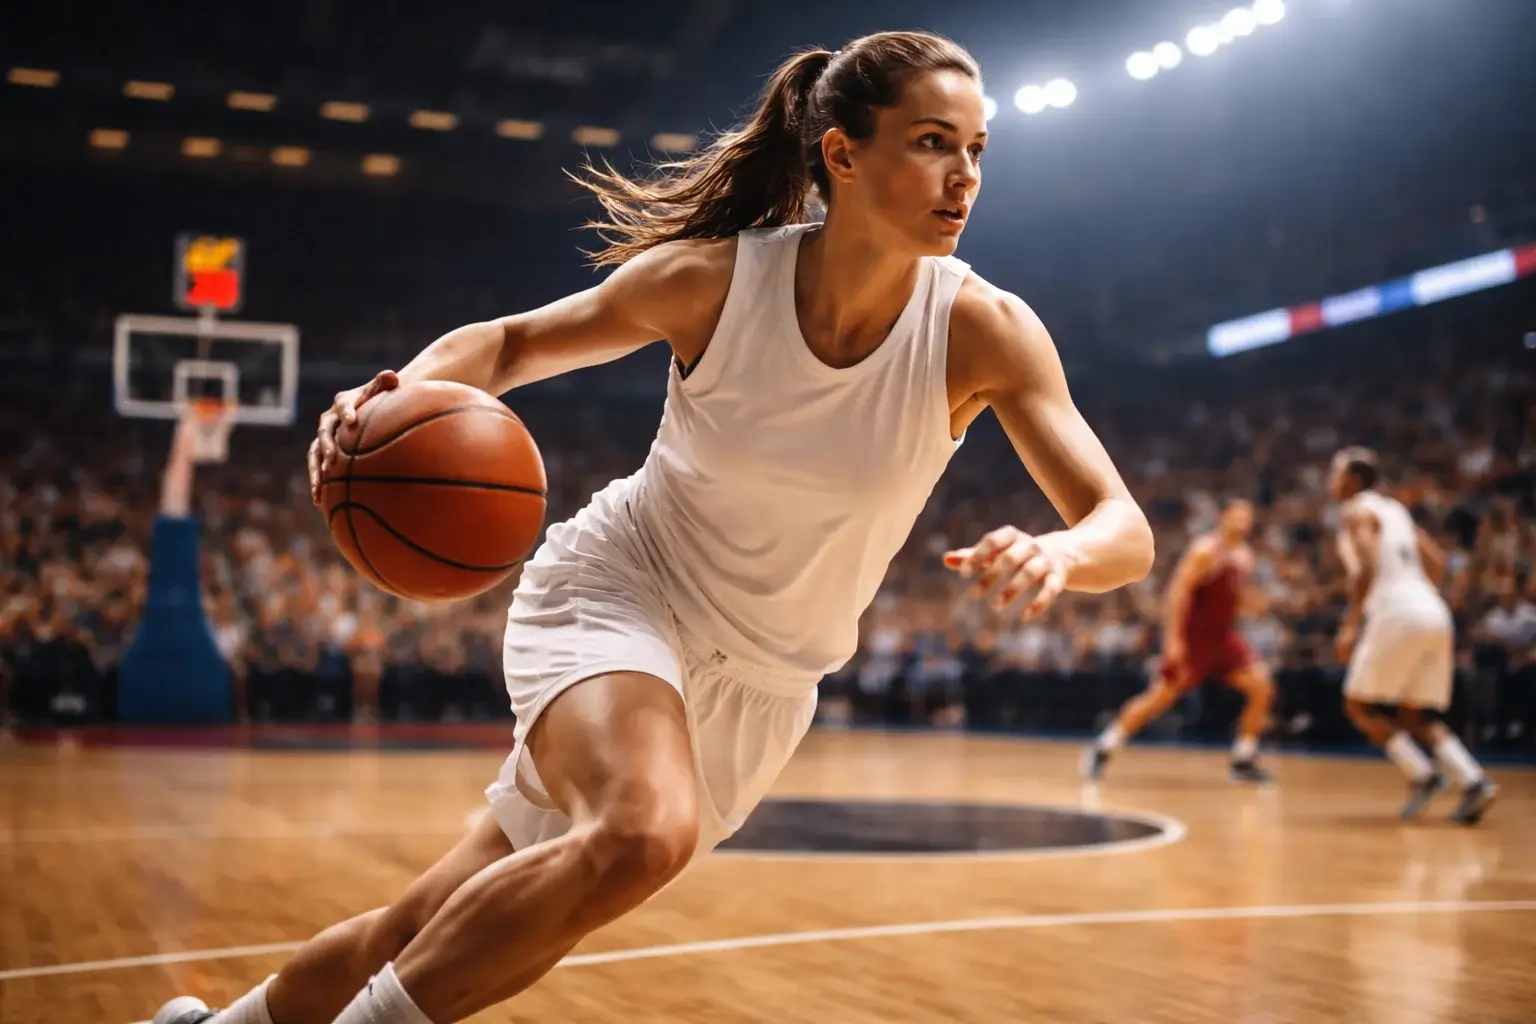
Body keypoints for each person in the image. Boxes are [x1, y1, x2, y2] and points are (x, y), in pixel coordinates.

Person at [154, 30, 1154, 1024]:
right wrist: (392, 400)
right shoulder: (716, 281)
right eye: (933, 142)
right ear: (842, 154)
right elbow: (509, 345)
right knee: (641, 831)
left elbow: (1123, 528)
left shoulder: (985, 329)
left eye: (977, 149)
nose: (964, 175)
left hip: (767, 686)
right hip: (625, 590)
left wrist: (1059, 551)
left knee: (432, 921)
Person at [1328, 446, 1497, 823]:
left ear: (1353, 479)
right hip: (1431, 608)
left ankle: (1423, 775)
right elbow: (1437, 561)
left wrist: (1351, 624)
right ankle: (1473, 780)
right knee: (1413, 712)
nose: (1331, 482)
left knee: (1358, 705)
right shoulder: (1395, 510)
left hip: (1397, 610)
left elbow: (1366, 566)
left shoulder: (1356, 510)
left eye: (1335, 474)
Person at [1082, 499, 1275, 782]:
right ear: (1223, 517)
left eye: (1247, 518)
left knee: (1261, 686)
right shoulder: (1205, 551)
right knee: (1159, 697)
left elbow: (1233, 598)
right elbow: (1177, 594)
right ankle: (1104, 746)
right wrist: (1173, 640)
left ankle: (1243, 758)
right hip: (1193, 638)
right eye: (1237, 516)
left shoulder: (1245, 556)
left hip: (1223, 637)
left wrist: (1253, 605)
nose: (1243, 523)